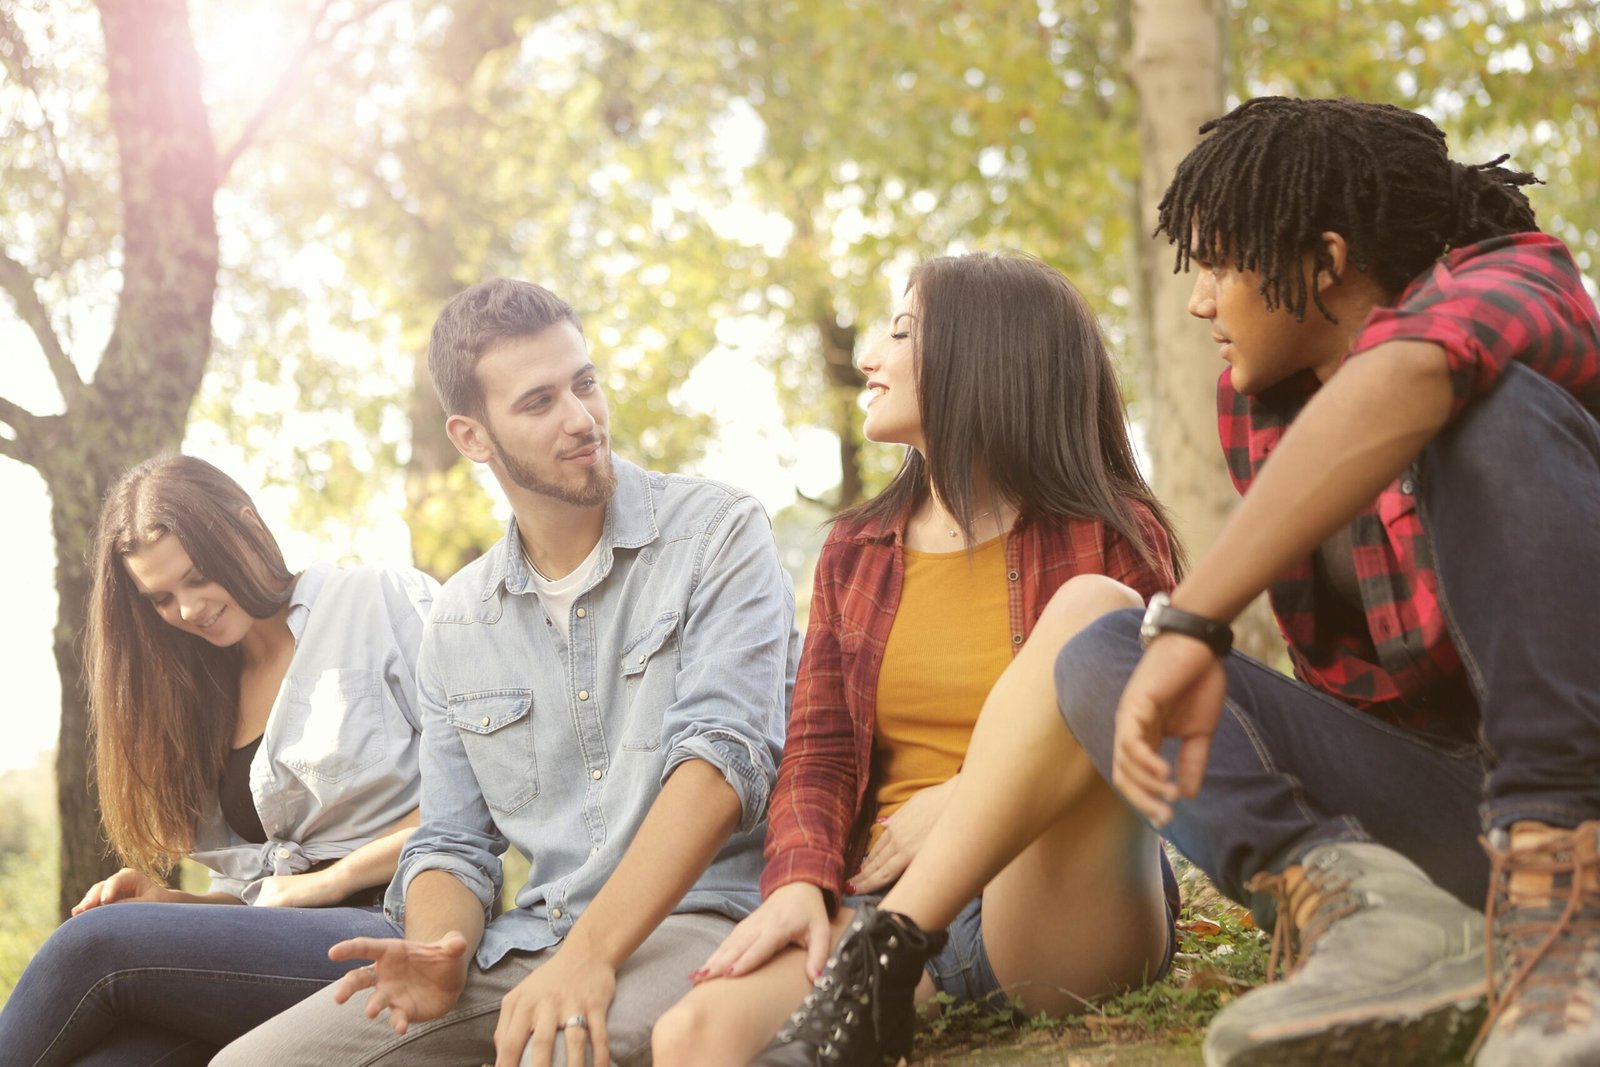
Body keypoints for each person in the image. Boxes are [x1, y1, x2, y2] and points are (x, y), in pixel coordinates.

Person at [1039, 96, 1599, 1067]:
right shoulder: (1261, 400)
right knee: (1105, 655)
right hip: (1465, 812)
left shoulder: (1520, 280)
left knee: (1494, 408)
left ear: (1326, 262)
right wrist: (1172, 639)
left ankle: (1568, 925)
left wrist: (1198, 616)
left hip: (1576, 786)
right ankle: (1384, 922)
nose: (1197, 300)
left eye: (1215, 264)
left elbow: (1422, 364)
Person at [213, 277, 799, 1067]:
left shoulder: (716, 534)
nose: (582, 419)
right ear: (472, 436)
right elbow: (451, 841)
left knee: (551, 1051)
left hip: (702, 914)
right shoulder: (459, 619)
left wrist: (589, 959)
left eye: (584, 384)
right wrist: (438, 945)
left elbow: (721, 764)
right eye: (539, 402)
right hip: (533, 942)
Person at [651, 252, 1185, 1067]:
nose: (870, 358)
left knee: (1096, 615)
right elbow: (820, 747)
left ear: (986, 356)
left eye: (902, 333)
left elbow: (1169, 722)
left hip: (1052, 894)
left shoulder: (1110, 530)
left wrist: (967, 796)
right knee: (689, 1034)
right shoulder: (855, 549)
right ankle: (886, 969)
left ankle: (894, 951)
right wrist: (799, 881)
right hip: (887, 907)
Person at [0, 453, 435, 1066]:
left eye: (198, 575)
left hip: (400, 925)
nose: (187, 609)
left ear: (248, 528)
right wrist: (171, 909)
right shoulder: (205, 688)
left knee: (91, 946)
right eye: (161, 599)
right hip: (284, 947)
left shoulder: (377, 601)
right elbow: (259, 894)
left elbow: (480, 798)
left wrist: (323, 884)